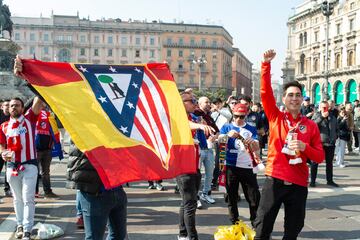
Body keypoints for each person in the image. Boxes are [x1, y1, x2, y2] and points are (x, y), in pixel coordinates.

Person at [254, 50, 324, 240]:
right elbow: (265, 92)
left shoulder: (310, 125)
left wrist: (304, 147)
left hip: (299, 183)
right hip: (275, 180)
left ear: (302, 99)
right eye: (290, 95)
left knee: (292, 231)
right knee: (262, 228)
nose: (294, 98)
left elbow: (319, 156)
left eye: (298, 95)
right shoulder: (276, 117)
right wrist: (266, 65)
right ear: (283, 99)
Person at [0, 96, 43, 240]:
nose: (14, 108)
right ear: (8, 108)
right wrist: (2, 153)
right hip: (12, 167)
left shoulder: (29, 119)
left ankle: (27, 230)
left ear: (22, 108)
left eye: (17, 105)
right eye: (12, 105)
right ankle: (19, 225)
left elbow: (39, 100)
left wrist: (36, 77)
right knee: (17, 199)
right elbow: (2, 145)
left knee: (28, 198)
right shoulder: (4, 126)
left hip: (29, 165)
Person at [66, 141, 128, 240]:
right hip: (95, 192)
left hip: (117, 189)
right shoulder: (81, 129)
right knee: (94, 237)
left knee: (119, 236)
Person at [177, 92, 213, 240]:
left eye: (195, 101)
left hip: (194, 165)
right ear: (182, 102)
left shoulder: (193, 117)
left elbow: (201, 134)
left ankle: (183, 233)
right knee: (190, 204)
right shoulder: (178, 116)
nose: (194, 104)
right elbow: (183, 124)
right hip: (184, 167)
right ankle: (192, 237)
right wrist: (198, 125)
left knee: (186, 203)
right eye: (192, 101)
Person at [219, 103, 261, 227]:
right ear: (232, 114)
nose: (238, 119)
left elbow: (257, 147)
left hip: (247, 167)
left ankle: (255, 223)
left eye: (242, 117)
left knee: (253, 198)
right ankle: (235, 225)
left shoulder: (251, 128)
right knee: (231, 198)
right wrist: (227, 136)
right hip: (230, 167)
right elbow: (219, 143)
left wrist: (252, 142)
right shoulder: (226, 127)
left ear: (246, 115)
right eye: (236, 116)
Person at [194, 96, 218, 204]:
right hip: (198, 148)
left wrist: (214, 137)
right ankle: (196, 197)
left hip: (208, 149)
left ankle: (206, 193)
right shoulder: (194, 114)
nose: (209, 104)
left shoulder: (209, 117)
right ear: (199, 104)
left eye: (209, 102)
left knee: (210, 173)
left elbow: (217, 131)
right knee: (196, 174)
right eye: (206, 102)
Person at [310, 101, 339, 187]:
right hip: (319, 144)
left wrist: (336, 136)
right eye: (323, 107)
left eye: (327, 107)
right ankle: (313, 181)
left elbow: (336, 127)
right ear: (320, 107)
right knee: (315, 163)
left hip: (330, 143)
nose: (326, 109)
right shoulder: (316, 115)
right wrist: (322, 117)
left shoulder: (332, 116)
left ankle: (330, 180)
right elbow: (312, 125)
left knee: (329, 163)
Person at [0, 99, 11, 197]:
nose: (8, 107)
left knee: (9, 169)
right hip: (0, 147)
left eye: (10, 105)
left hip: (10, 149)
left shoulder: (14, 117)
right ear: (1, 107)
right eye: (6, 105)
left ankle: (7, 189)